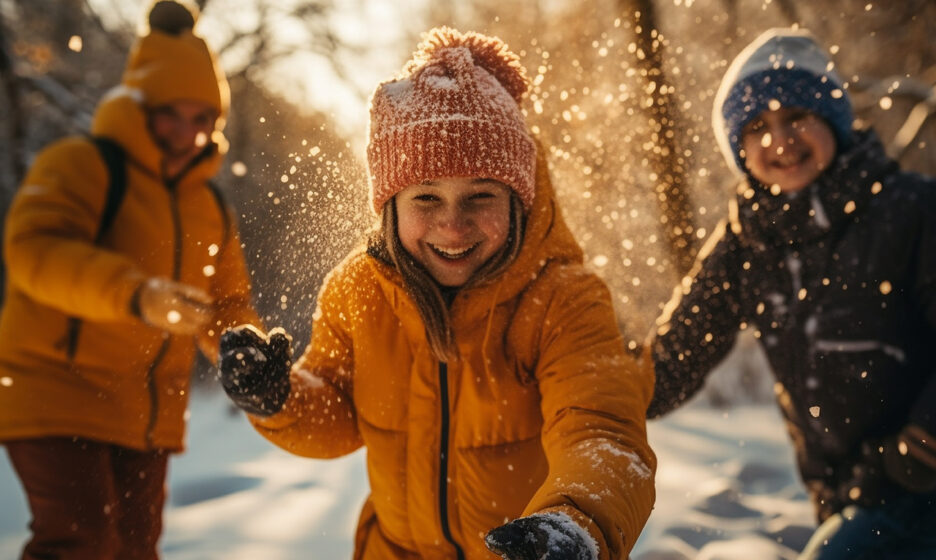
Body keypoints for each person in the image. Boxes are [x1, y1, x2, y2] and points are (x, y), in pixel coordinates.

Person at [218, 27, 655, 560]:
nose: (453, 227)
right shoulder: (359, 291)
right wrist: (280, 398)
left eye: (480, 196)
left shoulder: (564, 300)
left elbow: (602, 433)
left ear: (519, 201)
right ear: (390, 207)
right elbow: (337, 412)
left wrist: (576, 523)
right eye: (426, 197)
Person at [647, 27, 936, 558]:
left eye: (796, 117)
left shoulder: (910, 210)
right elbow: (669, 363)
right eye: (757, 127)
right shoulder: (750, 240)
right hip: (839, 495)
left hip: (919, 487)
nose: (779, 140)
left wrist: (923, 439)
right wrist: (584, 386)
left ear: (833, 120)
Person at [0, 2, 259, 558]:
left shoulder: (209, 206)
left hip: (144, 415)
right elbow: (35, 251)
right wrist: (137, 295)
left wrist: (244, 351)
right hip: (56, 388)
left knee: (136, 550)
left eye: (202, 119)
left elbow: (229, 303)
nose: (187, 133)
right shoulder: (82, 165)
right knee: (82, 543)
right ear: (139, 106)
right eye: (172, 114)